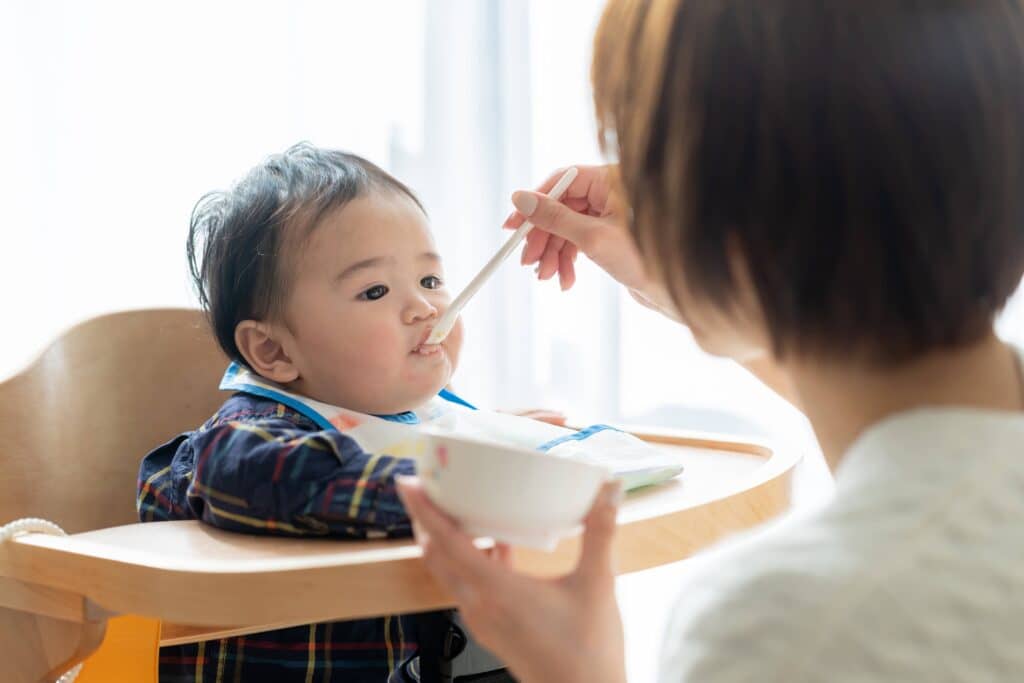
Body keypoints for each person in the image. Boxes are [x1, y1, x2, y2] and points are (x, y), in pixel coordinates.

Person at [397, 1, 1024, 681]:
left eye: (647, 161)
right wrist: (698, 284)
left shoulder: (784, 624)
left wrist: (574, 672)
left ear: (727, 223)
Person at [138, 142, 515, 682]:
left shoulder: (414, 415)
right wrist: (446, 485)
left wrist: (508, 438)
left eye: (431, 280)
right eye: (376, 290)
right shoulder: (246, 440)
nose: (427, 308)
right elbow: (260, 472)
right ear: (274, 352)